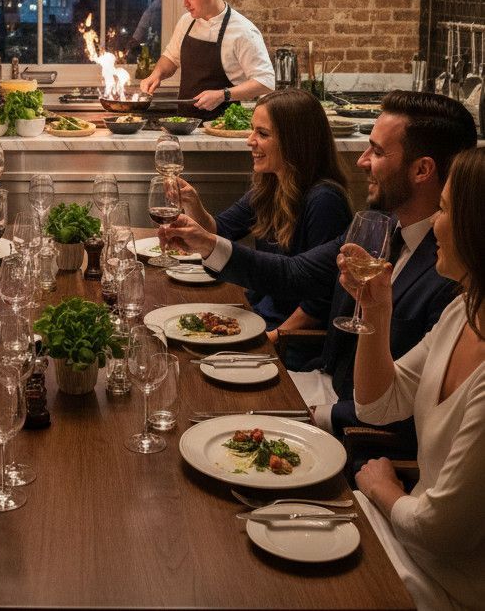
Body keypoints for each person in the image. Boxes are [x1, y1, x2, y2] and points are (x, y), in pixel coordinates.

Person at [161, 91, 475, 447]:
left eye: (377, 151)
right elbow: (294, 274)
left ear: (422, 170)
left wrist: (319, 414)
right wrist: (207, 244)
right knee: (188, 396)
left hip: (352, 428)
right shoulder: (380, 226)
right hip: (323, 384)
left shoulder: (453, 272)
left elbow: (414, 413)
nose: (362, 161)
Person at [344, 147, 485, 610]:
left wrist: (381, 487)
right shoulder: (462, 311)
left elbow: (440, 531)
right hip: (407, 540)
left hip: (450, 584)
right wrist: (377, 309)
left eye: (443, 210)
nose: (435, 224)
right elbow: (377, 405)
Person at [174, 88, 352, 365]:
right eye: (253, 130)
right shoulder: (270, 185)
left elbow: (319, 302)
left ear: (295, 141)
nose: (250, 141)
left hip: (292, 344)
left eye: (263, 133)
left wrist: (269, 340)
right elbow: (221, 231)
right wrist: (192, 203)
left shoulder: (325, 200)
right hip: (259, 316)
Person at [139, 0, 274, 118]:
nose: (185, 4)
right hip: (184, 124)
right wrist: (157, 74)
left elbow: (266, 81)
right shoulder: (186, 22)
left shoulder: (243, 31)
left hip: (221, 126)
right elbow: (171, 57)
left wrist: (223, 95)